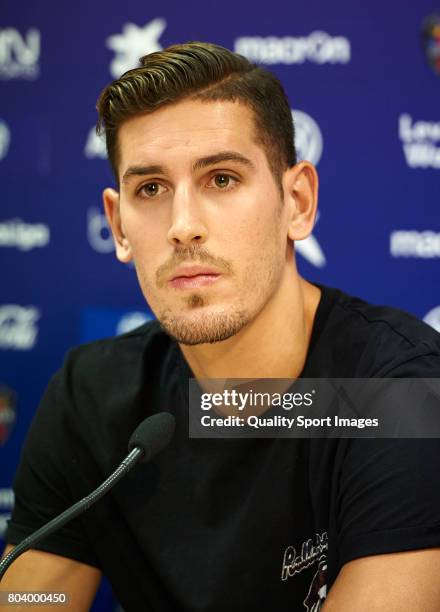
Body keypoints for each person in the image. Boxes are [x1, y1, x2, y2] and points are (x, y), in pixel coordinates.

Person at [2, 41, 440, 611]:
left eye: (222, 179)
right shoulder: (89, 395)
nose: (184, 227)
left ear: (297, 202)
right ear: (119, 225)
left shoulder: (401, 395)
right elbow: (33, 603)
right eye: (151, 189)